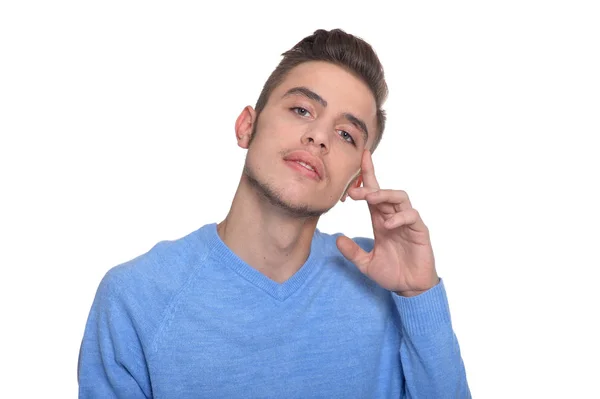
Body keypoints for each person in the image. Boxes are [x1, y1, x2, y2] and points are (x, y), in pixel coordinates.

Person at [78, 28, 471, 398]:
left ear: (355, 181)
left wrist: (419, 295)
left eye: (346, 134)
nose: (318, 136)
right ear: (246, 126)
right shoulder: (136, 296)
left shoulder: (385, 282)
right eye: (301, 109)